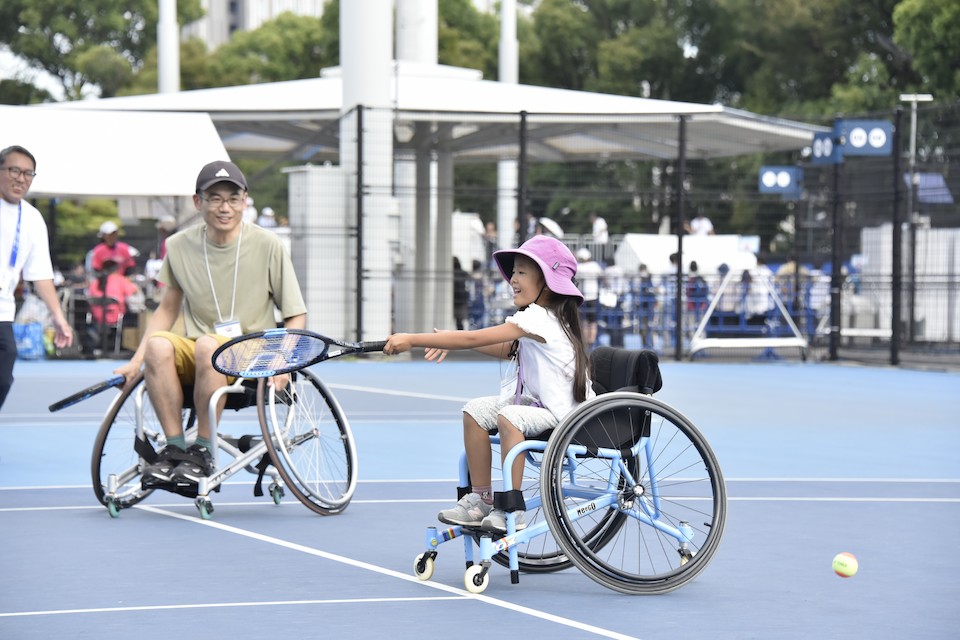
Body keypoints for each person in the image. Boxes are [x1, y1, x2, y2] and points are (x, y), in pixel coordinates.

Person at [113, 160, 308, 490]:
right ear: (197, 202)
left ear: (244, 201)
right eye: (215, 198)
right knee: (159, 345)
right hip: (201, 350)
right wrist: (135, 362)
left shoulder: (268, 245)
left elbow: (295, 314)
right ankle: (175, 448)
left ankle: (203, 450)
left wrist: (282, 361)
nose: (225, 207)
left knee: (208, 344)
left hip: (250, 354)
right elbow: (167, 309)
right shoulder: (178, 246)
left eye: (233, 199)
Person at [383, 235, 593, 532]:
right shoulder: (544, 318)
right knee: (475, 411)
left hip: (564, 415)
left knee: (510, 416)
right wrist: (448, 341)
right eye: (514, 272)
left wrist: (412, 339)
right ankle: (481, 499)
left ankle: (512, 508)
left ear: (547, 282)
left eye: (522, 272)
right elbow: (506, 349)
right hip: (541, 407)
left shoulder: (539, 318)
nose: (513, 279)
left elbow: (473, 337)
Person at [0, 145, 73, 410]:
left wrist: (58, 317)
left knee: (3, 378)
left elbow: (41, 275)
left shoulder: (32, 219)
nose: (20, 178)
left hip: (3, 310)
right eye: (14, 170)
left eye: (28, 173)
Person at [86, 258, 140, 354]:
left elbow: (90, 296)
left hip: (97, 317)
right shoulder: (121, 280)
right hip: (115, 317)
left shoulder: (96, 282)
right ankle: (125, 345)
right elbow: (133, 291)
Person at [575, 247, 603, 347]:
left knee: (584, 321)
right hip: (593, 296)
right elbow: (601, 275)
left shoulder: (578, 268)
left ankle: (585, 342)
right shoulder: (595, 266)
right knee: (593, 321)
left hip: (582, 297)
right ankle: (592, 341)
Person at [452, 256, 469, 330]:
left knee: (458, 319)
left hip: (454, 298)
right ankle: (460, 333)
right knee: (459, 320)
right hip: (462, 298)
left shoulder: (452, 274)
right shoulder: (463, 273)